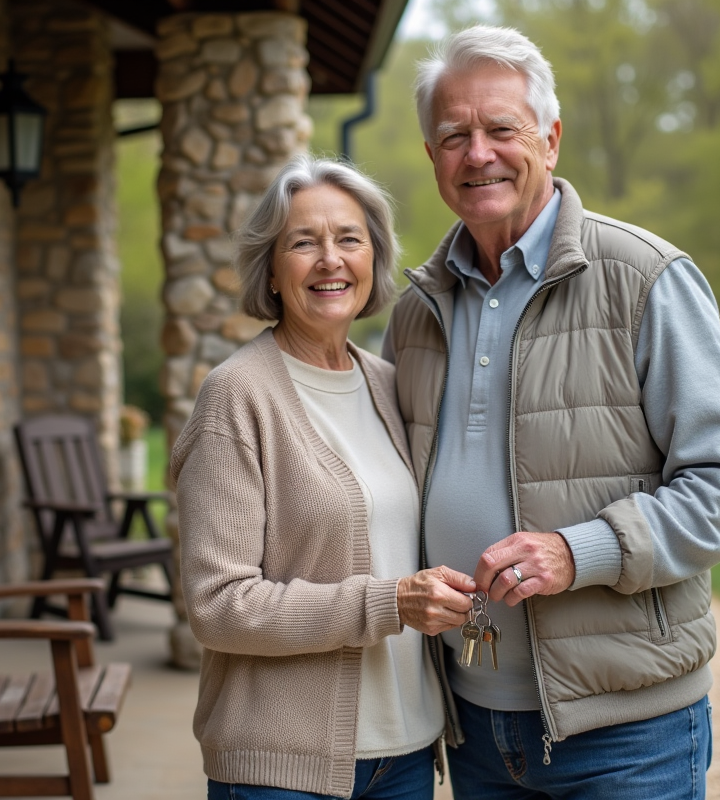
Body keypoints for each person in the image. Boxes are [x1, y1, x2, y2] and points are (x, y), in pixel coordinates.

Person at [381, 25, 720, 800]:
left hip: (626, 731)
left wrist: (578, 551)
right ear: (432, 158)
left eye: (502, 129)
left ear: (551, 140)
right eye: (454, 135)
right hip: (470, 723)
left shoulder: (645, 277)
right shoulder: (415, 310)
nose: (478, 153)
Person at [169, 154, 476, 800]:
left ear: (374, 260)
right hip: (281, 768)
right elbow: (218, 605)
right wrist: (387, 602)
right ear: (273, 271)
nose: (330, 259)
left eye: (349, 239)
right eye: (303, 243)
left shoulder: (391, 385)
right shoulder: (237, 396)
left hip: (408, 752)